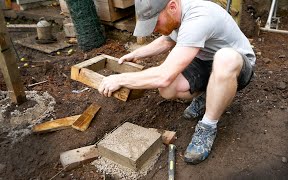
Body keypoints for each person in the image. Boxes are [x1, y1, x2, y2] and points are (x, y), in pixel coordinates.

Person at [98, 0, 255, 164]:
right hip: (206, 61)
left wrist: (120, 78)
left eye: (155, 23)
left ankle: (208, 126)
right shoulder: (176, 13)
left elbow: (164, 74)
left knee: (225, 59)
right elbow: (167, 40)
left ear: (172, 7)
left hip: (236, 66)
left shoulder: (198, 17)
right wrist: (137, 54)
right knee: (168, 88)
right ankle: (210, 95)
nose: (154, 29)